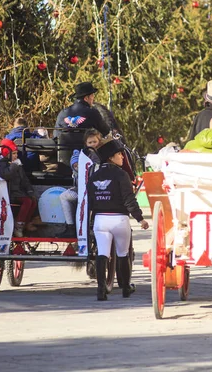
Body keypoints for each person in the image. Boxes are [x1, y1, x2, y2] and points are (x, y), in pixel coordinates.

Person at [88, 138, 149, 301]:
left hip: (100, 220)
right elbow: (129, 199)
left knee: (102, 253)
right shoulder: (122, 175)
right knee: (123, 254)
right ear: (110, 157)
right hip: (119, 220)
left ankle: (101, 290)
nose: (122, 157)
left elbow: (90, 201)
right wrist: (140, 219)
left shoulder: (94, 176)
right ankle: (125, 287)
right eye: (119, 154)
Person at [59, 129, 103, 237]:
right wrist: (76, 165)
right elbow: (75, 162)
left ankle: (91, 227)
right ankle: (71, 227)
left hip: (97, 190)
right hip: (81, 189)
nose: (92, 144)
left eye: (95, 142)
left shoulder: (103, 154)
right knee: (64, 196)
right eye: (90, 142)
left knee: (90, 202)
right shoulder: (82, 153)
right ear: (86, 144)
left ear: (99, 142)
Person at [0, 139, 38, 237]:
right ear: (7, 153)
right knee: (27, 201)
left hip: (18, 191)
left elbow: (24, 179)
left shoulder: (17, 164)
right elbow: (6, 175)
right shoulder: (2, 163)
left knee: (33, 201)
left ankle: (25, 223)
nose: (16, 156)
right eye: (14, 153)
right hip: (9, 192)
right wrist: (14, 165)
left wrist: (30, 190)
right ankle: (18, 226)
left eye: (16, 153)